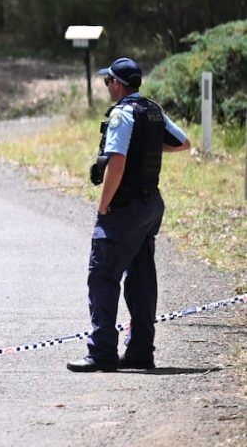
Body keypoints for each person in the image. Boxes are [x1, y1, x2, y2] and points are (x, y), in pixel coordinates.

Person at [67, 57, 191, 373]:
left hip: (125, 209)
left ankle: (102, 352)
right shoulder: (153, 110)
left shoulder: (122, 115)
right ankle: (139, 352)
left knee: (103, 276)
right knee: (141, 279)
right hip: (150, 207)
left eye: (108, 81)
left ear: (118, 85)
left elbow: (118, 162)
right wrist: (144, 147)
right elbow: (182, 142)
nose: (107, 86)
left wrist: (103, 205)